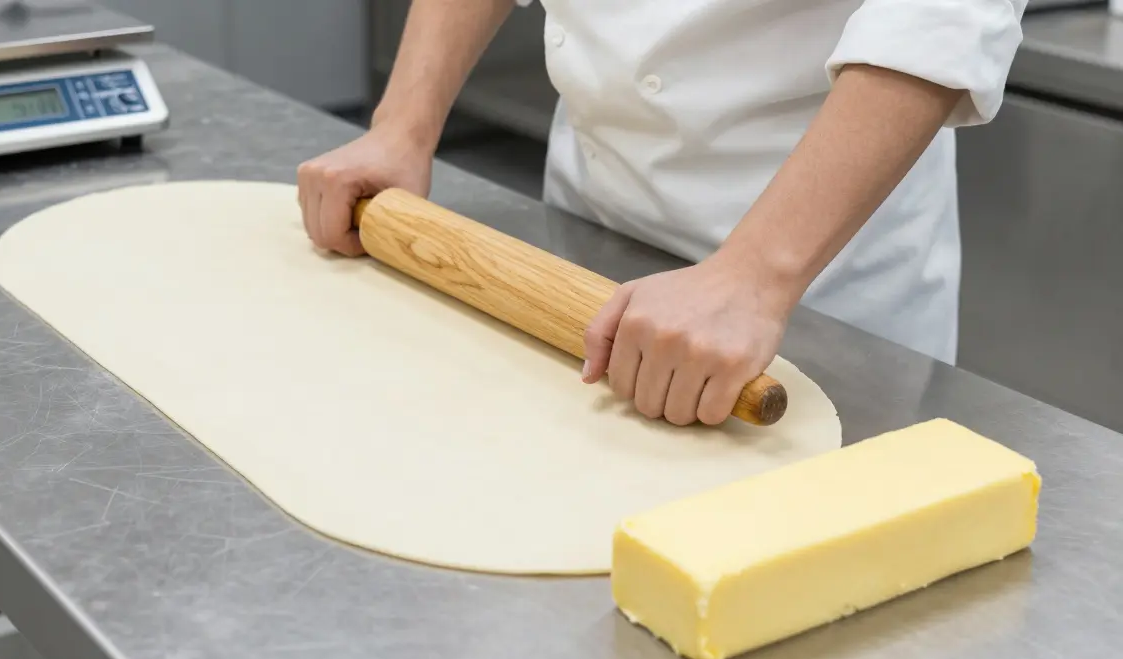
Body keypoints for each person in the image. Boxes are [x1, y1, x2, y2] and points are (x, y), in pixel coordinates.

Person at [297, 0, 1025, 426]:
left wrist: (755, 279)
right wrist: (403, 125)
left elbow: (939, 14)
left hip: (815, 274)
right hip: (589, 228)